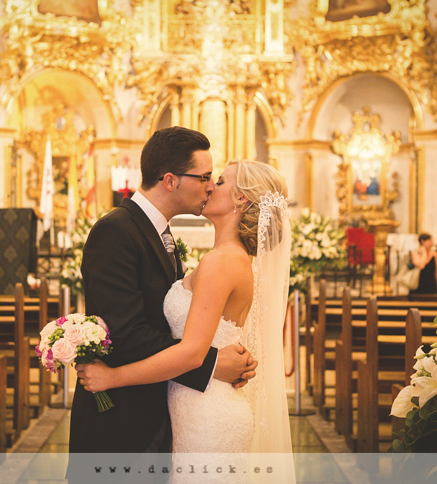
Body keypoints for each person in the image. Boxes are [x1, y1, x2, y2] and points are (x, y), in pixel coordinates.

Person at [78, 160, 296, 483]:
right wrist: (221, 360)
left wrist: (112, 378)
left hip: (207, 416)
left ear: (240, 199)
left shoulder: (221, 262)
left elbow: (192, 353)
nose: (210, 186)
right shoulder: (230, 258)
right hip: (198, 406)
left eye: (219, 181)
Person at [67, 128, 257, 463]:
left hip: (157, 414)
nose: (210, 186)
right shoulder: (116, 231)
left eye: (215, 179)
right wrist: (211, 363)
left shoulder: (161, 232)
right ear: (170, 180)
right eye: (204, 177)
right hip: (119, 427)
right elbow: (125, 334)